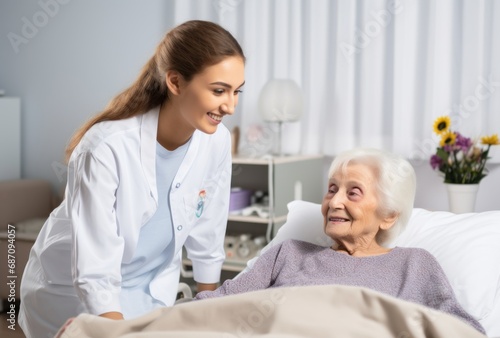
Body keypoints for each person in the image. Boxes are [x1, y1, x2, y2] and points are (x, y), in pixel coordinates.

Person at [19, 19, 245, 338]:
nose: (231, 106)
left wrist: (210, 312)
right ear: (176, 83)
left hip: (150, 290)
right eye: (219, 90)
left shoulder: (216, 141)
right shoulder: (105, 147)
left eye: (237, 91)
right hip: (72, 295)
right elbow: (94, 272)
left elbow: (208, 233)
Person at [195, 148, 486, 335]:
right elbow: (218, 305)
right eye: (332, 189)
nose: (334, 201)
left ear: (388, 216)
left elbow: (462, 330)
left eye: (353, 192)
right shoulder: (289, 254)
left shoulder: (413, 265)